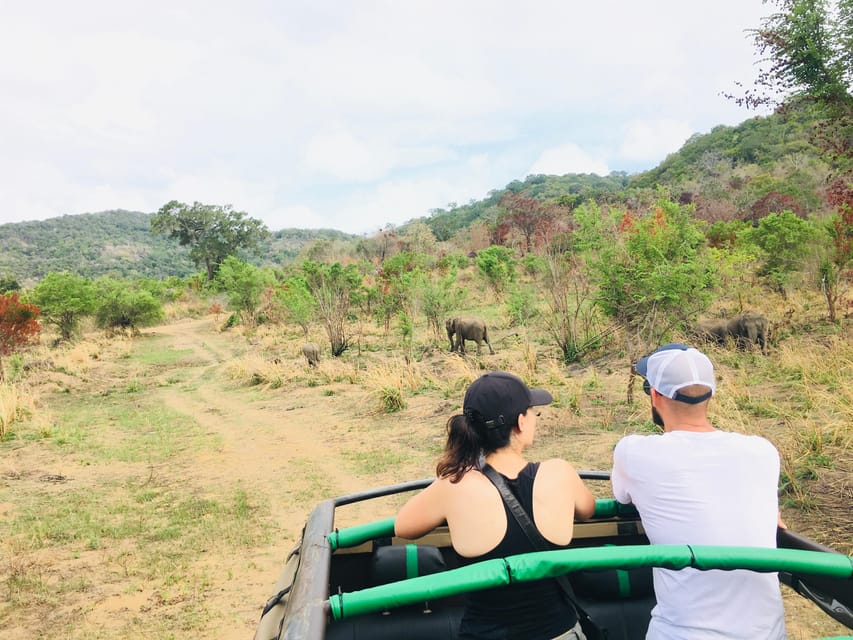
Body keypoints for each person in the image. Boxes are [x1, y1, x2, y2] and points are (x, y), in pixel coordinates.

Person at [395, 370, 596, 640]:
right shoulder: (559, 473)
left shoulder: (454, 485)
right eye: (533, 412)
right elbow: (587, 509)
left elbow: (403, 526)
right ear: (521, 423)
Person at [611, 343, 786, 640]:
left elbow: (622, 498)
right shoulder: (762, 451)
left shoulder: (634, 452)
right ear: (711, 394)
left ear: (655, 395)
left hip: (682, 634)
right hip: (766, 633)